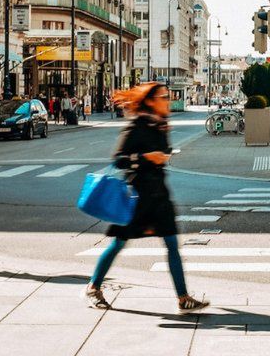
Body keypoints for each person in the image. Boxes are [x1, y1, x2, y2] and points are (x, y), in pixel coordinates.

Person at [84, 82, 208, 312]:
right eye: (162, 97)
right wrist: (146, 157)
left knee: (172, 243)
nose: (167, 101)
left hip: (159, 196)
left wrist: (162, 154)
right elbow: (119, 159)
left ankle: (183, 297)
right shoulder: (137, 125)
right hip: (138, 197)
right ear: (150, 101)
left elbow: (165, 152)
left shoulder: (160, 125)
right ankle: (93, 286)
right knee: (118, 243)